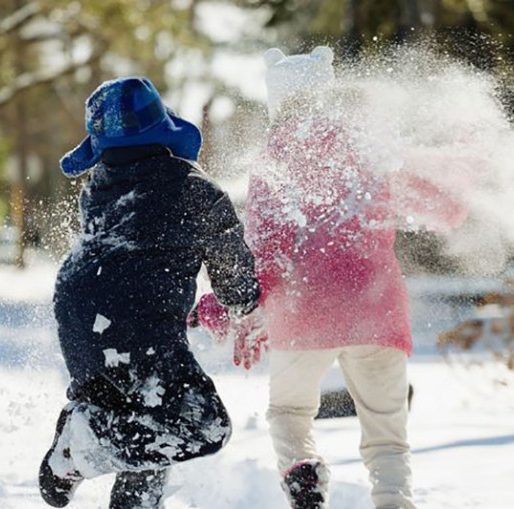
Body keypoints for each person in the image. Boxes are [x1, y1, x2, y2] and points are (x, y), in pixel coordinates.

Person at [193, 47, 467, 509]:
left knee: (288, 412)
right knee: (387, 434)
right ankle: (394, 500)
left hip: (304, 316)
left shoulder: (274, 160)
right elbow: (440, 201)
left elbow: (265, 253)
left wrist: (217, 310)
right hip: (377, 313)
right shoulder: (369, 146)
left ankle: (302, 475)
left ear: (279, 100)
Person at [39, 77, 260, 508]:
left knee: (146, 427)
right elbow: (236, 284)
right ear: (163, 131)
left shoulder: (98, 186)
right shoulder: (196, 189)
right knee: (203, 426)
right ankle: (76, 453)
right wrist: (245, 302)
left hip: (78, 317)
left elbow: (128, 262)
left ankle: (89, 444)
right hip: (140, 327)